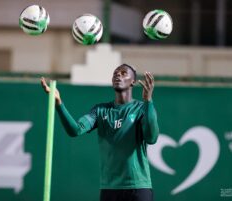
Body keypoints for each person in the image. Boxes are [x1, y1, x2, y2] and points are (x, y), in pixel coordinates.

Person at [41, 63, 159, 201]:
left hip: (138, 188)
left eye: (123, 73)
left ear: (133, 81)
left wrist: (148, 101)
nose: (118, 75)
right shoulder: (100, 110)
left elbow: (152, 138)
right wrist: (59, 104)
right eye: (115, 73)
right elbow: (75, 130)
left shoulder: (141, 108)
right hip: (109, 189)